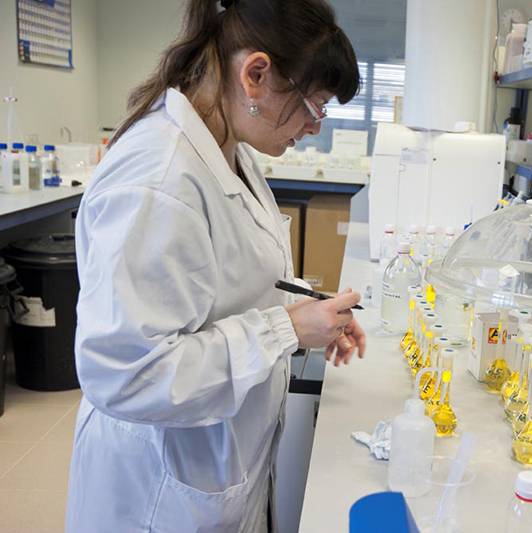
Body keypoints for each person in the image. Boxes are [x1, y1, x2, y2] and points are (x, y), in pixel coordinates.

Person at [65, 1, 364, 531]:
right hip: (158, 487)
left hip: (217, 458)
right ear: (256, 74)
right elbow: (128, 374)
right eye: (314, 105)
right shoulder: (159, 180)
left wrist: (310, 317)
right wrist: (286, 328)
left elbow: (235, 284)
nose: (314, 127)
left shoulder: (229, 149)